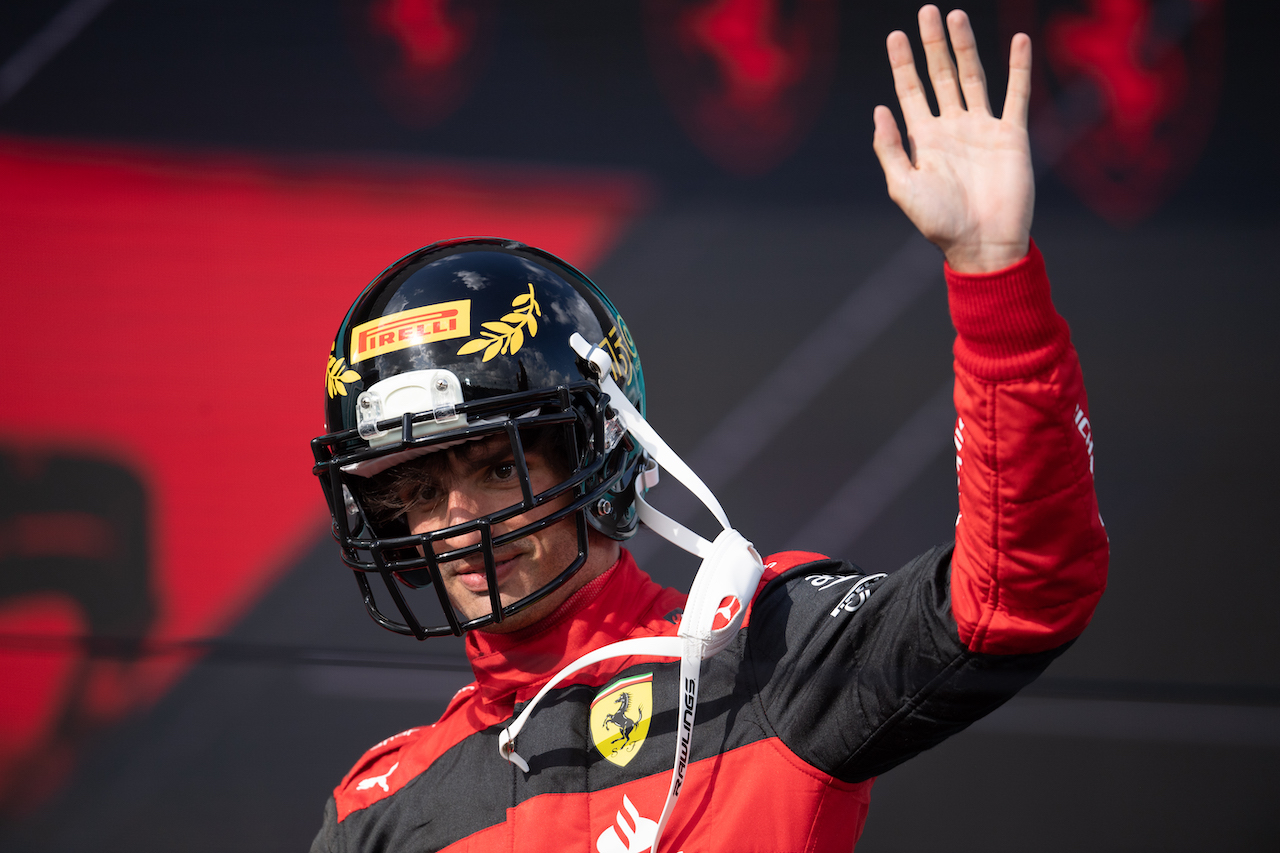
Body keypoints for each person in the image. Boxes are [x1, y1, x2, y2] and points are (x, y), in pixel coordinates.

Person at [308, 6, 1108, 852]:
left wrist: (993, 281)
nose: (461, 519)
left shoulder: (765, 653)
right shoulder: (376, 816)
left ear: (597, 450)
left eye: (496, 466)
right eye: (423, 491)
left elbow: (1018, 597)